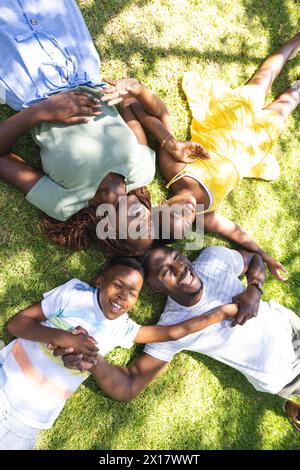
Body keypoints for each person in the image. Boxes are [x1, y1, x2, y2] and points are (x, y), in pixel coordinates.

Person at [0, 0, 204, 256]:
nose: (144, 221)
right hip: (79, 58)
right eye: (149, 224)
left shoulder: (63, 203)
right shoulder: (142, 171)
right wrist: (132, 90)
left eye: (135, 231)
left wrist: (42, 111)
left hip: (27, 78)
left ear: (107, 231)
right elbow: (129, 105)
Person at [100, 33, 300, 276]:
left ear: (164, 203)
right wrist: (264, 255)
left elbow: (159, 121)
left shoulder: (175, 171)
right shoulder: (205, 217)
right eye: (186, 218)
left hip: (227, 124)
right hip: (251, 148)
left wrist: (131, 103)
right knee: (284, 107)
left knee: (262, 83)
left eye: (176, 210)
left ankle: (293, 43)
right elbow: (235, 232)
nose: (187, 208)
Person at [0, 256, 238, 450]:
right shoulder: (75, 294)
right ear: (100, 281)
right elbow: (16, 324)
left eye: (133, 293)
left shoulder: (123, 328)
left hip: (32, 417)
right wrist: (62, 337)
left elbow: (174, 332)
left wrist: (222, 313)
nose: (124, 296)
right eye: (118, 285)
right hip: (5, 380)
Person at [58, 245, 300, 432]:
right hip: (286, 372)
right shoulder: (172, 326)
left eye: (177, 258)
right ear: (154, 287)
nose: (180, 269)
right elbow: (129, 386)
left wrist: (254, 289)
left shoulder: (213, 258)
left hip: (290, 325)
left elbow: (253, 259)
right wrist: (95, 362)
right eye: (166, 272)